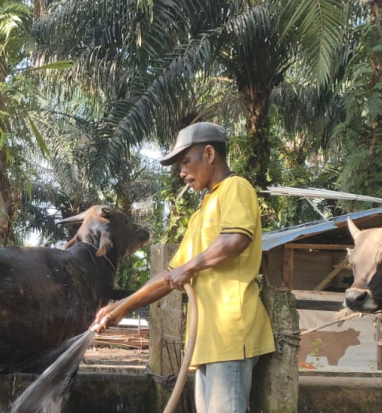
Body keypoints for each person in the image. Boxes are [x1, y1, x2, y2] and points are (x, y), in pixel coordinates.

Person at [92, 122, 275, 413]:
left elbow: (236, 239)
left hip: (230, 336)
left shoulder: (235, 188)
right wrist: (120, 307)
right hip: (207, 343)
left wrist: (189, 268)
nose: (181, 173)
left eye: (185, 161)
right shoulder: (203, 211)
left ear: (210, 153)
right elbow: (169, 277)